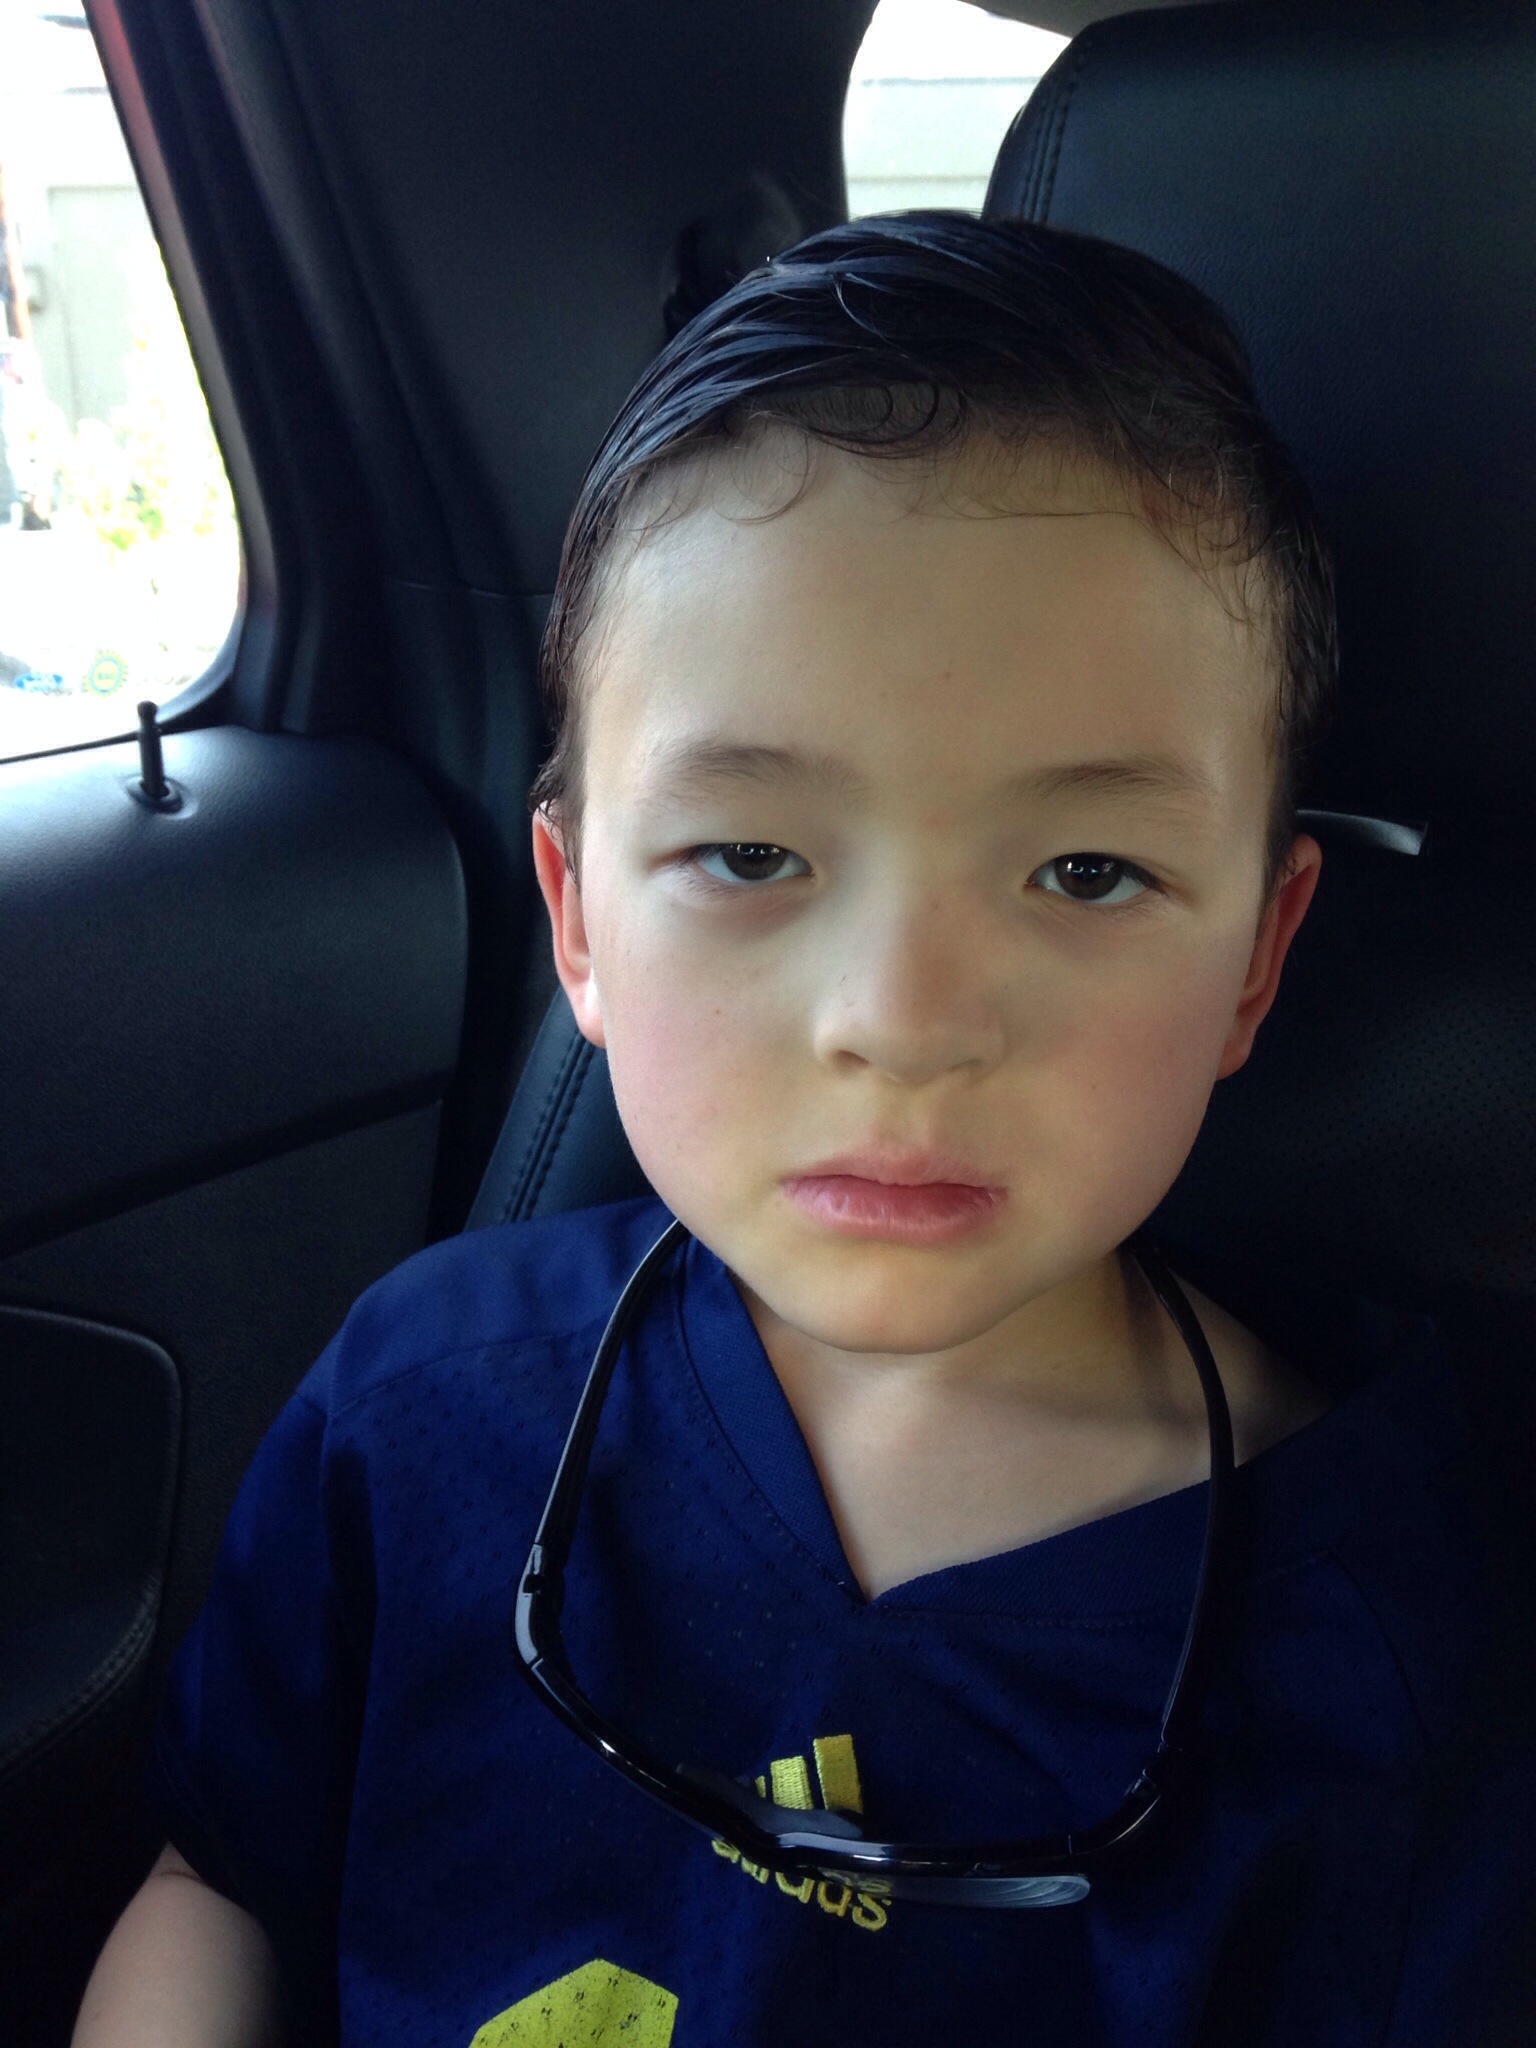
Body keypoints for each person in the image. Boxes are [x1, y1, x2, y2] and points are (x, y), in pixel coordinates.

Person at [72, 214, 1533, 2047]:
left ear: (1257, 958)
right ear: (579, 921)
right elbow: (221, 1880)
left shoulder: (1407, 1648)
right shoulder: (421, 1394)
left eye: (1088, 872)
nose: (903, 1022)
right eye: (752, 854)